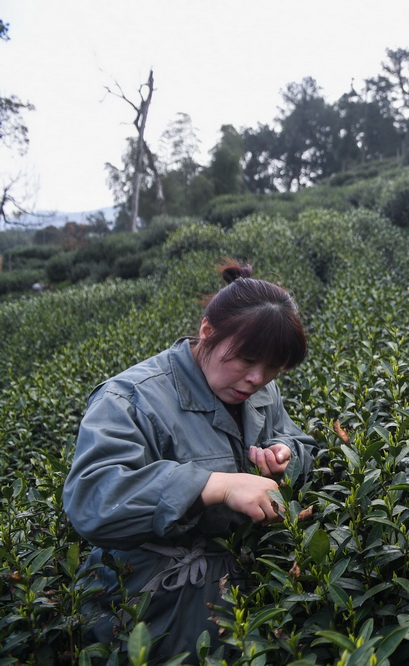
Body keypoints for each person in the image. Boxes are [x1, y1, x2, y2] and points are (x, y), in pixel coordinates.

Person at [63, 260, 317, 660]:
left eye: (272, 367)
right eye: (247, 360)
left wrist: (287, 455)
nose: (257, 378)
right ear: (206, 332)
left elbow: (298, 440)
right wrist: (216, 485)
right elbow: (94, 500)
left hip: (244, 602)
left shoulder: (262, 393)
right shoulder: (131, 398)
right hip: (154, 615)